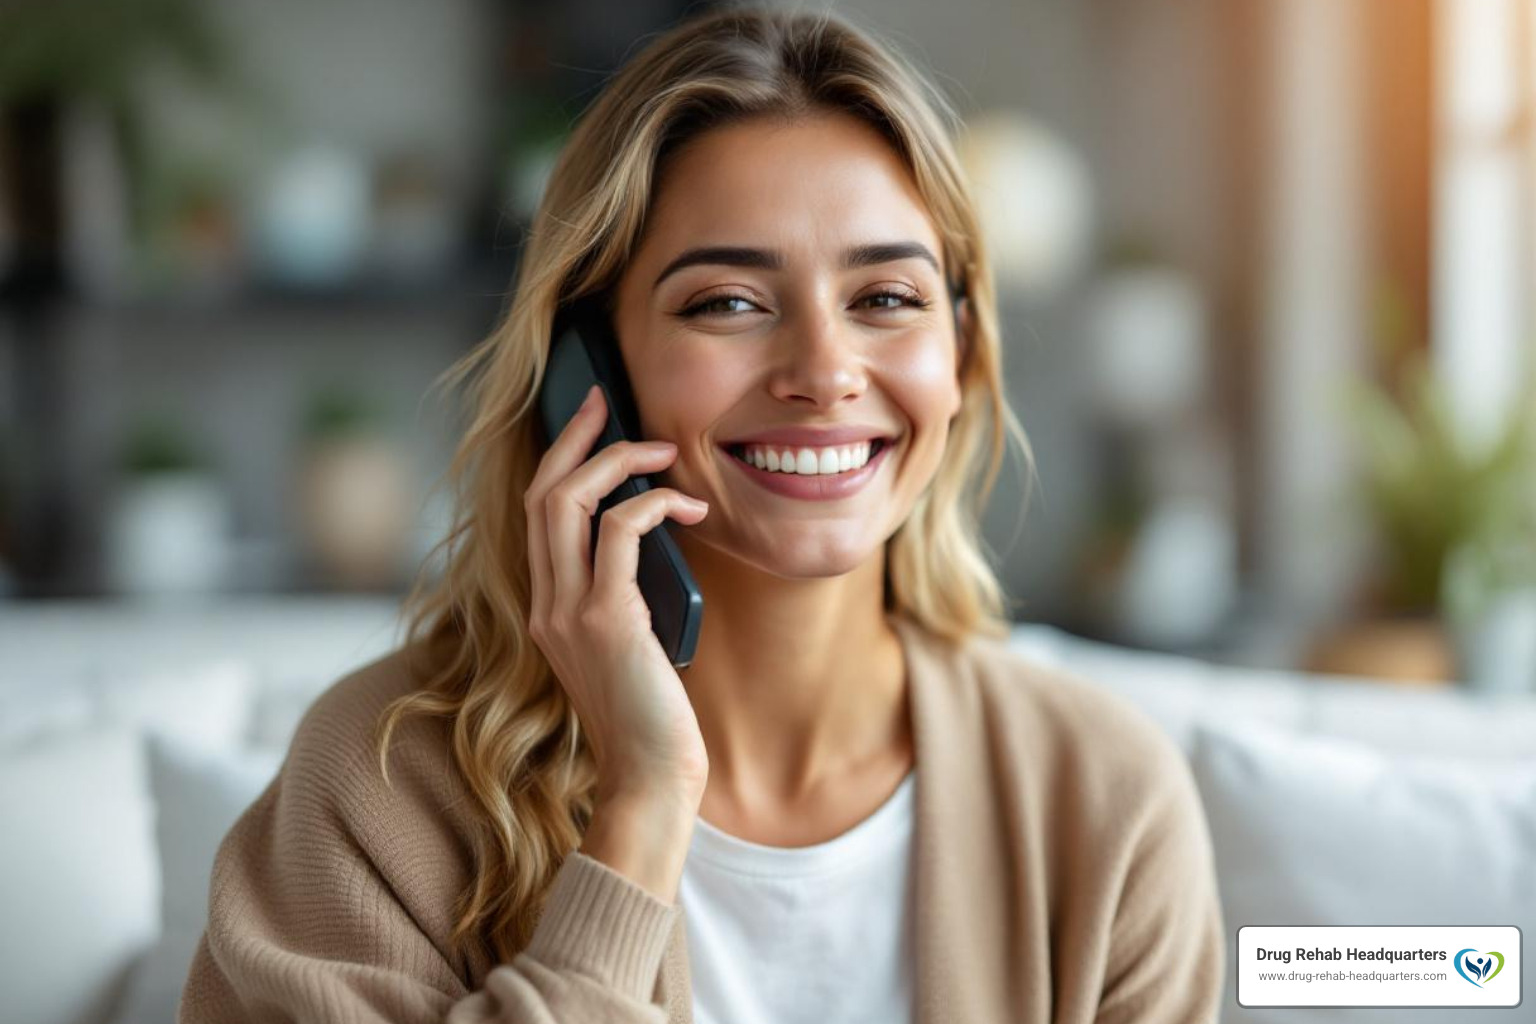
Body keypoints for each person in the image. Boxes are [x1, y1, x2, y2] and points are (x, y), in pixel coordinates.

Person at [181, 7, 1225, 1023]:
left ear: (962, 352)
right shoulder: (380, 788)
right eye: (728, 301)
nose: (824, 372)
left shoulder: (1106, 801)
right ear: (585, 373)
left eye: (887, 298)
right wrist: (642, 804)